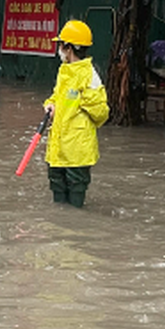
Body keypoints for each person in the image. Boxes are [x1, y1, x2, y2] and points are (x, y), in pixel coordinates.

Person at [43, 20, 109, 208]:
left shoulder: (90, 76)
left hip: (77, 151)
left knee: (76, 196)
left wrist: (85, 98)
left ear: (69, 47)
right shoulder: (64, 71)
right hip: (58, 147)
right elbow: (57, 96)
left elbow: (102, 114)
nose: (59, 48)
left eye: (61, 44)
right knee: (57, 191)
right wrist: (50, 105)